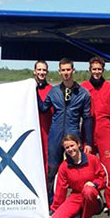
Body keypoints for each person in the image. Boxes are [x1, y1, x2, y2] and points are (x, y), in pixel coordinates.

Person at [38, 58, 93, 198]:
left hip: (73, 133)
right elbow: (43, 108)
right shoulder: (54, 91)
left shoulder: (83, 93)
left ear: (73, 70)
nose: (66, 73)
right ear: (59, 72)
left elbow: (87, 119)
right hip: (55, 134)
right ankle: (51, 202)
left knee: (78, 170)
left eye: (68, 69)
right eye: (63, 70)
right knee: (52, 170)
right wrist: (33, 90)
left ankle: (82, 205)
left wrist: (89, 143)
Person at [81, 56, 110, 218]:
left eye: (99, 69)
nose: (96, 72)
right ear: (90, 70)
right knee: (87, 167)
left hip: (105, 128)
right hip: (88, 130)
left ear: (103, 70)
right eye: (94, 69)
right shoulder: (83, 87)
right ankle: (90, 200)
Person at [49, 134, 106, 218]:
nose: (70, 149)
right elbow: (60, 189)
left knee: (88, 190)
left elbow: (103, 178)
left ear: (78, 144)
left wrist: (95, 184)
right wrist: (55, 210)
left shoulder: (92, 159)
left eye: (72, 145)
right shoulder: (64, 166)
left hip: (92, 195)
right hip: (76, 196)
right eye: (67, 147)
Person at [34, 60, 52, 177]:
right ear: (34, 71)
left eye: (44, 70)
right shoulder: (28, 87)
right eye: (39, 69)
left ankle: (47, 188)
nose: (41, 72)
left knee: (46, 158)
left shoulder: (51, 89)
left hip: (46, 129)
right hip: (32, 128)